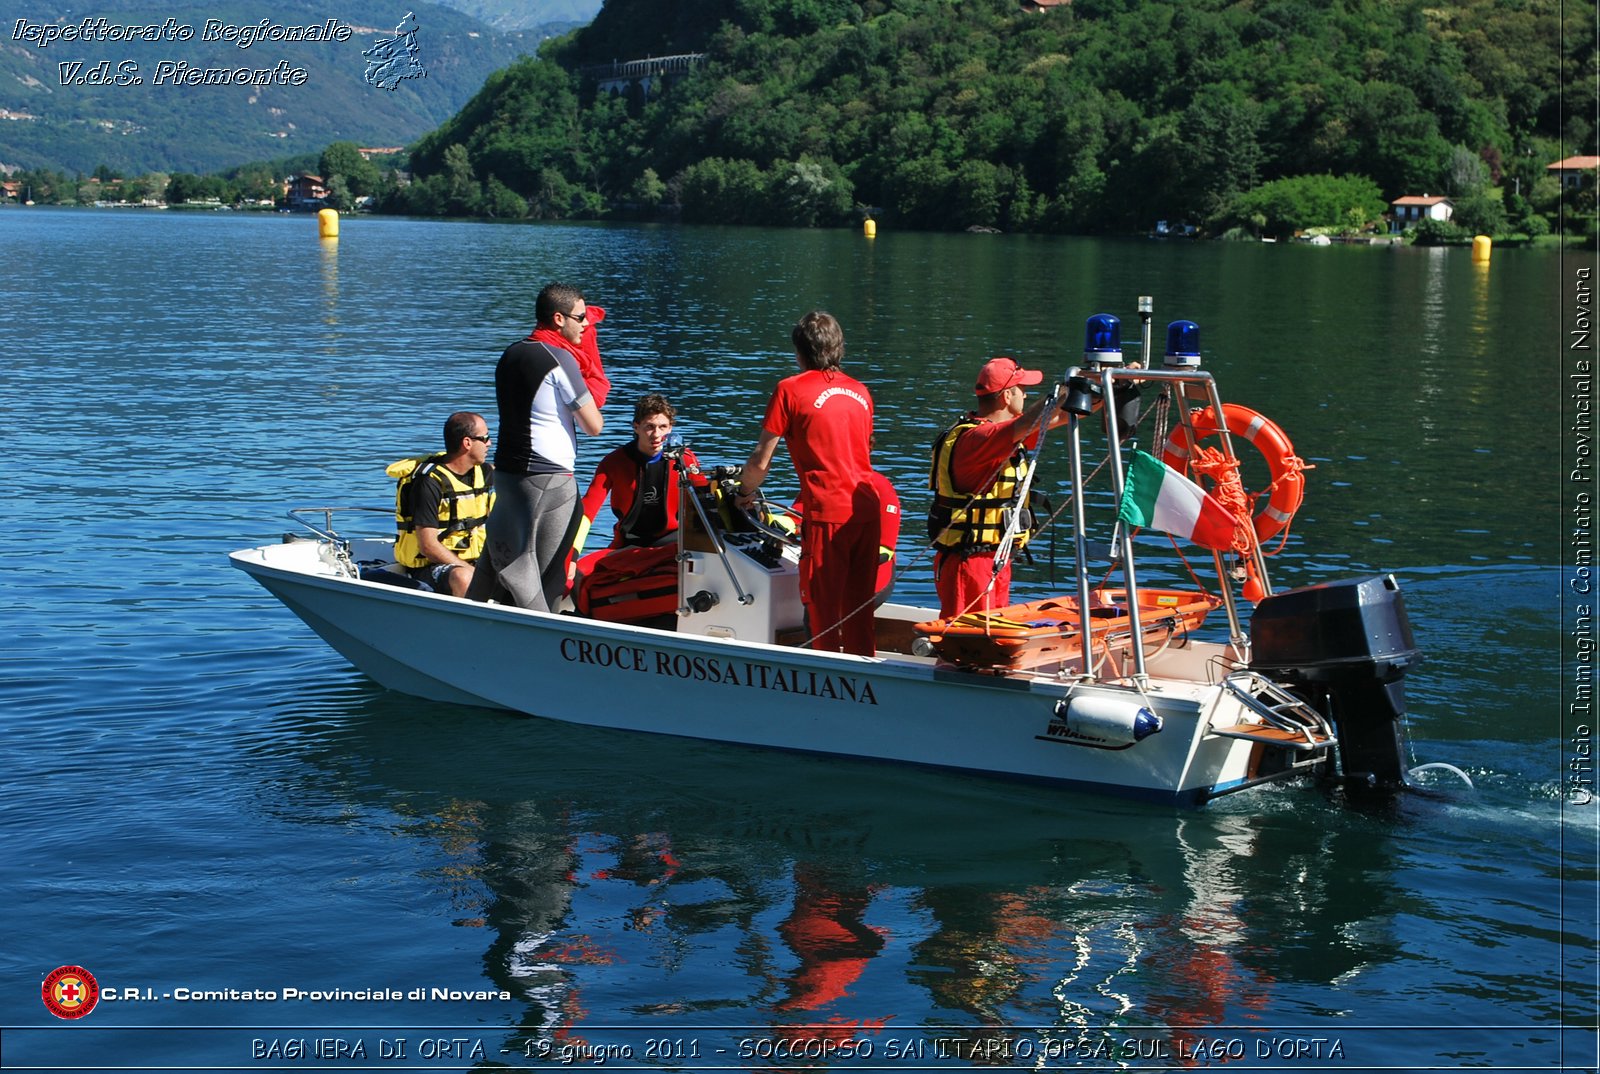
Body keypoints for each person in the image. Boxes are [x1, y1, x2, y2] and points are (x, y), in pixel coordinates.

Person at [736, 311, 879, 656]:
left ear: (799, 352)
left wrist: (745, 493)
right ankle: (867, 678)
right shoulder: (860, 391)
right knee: (860, 608)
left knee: (823, 609)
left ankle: (825, 687)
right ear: (838, 347)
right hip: (867, 507)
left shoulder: (790, 390)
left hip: (828, 510)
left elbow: (760, 460)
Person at [467, 283, 604, 611]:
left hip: (508, 477)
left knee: (492, 564)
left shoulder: (511, 353)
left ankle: (465, 625)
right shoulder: (560, 359)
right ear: (559, 318)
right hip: (550, 481)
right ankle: (544, 640)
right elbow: (593, 426)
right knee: (548, 578)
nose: (587, 325)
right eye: (581, 317)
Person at [928, 356, 1069, 619]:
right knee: (968, 638)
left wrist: (1110, 385)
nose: (1026, 397)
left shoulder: (1005, 435)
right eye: (1023, 390)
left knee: (992, 630)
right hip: (969, 561)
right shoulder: (979, 438)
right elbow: (1033, 419)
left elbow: (1063, 415)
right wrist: (1062, 392)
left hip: (995, 558)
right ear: (1007, 396)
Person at [576, 393, 706, 555]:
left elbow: (705, 501)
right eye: (649, 427)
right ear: (636, 427)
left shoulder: (685, 460)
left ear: (670, 427)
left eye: (663, 427)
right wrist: (573, 557)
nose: (657, 435)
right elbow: (588, 510)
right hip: (627, 545)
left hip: (674, 544)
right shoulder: (614, 462)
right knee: (582, 574)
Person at [388, 411, 494, 597]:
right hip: (434, 566)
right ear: (467, 443)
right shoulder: (429, 482)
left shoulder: (484, 473)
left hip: (477, 560)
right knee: (464, 577)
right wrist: (469, 568)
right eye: (485, 438)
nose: (489, 444)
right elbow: (428, 546)